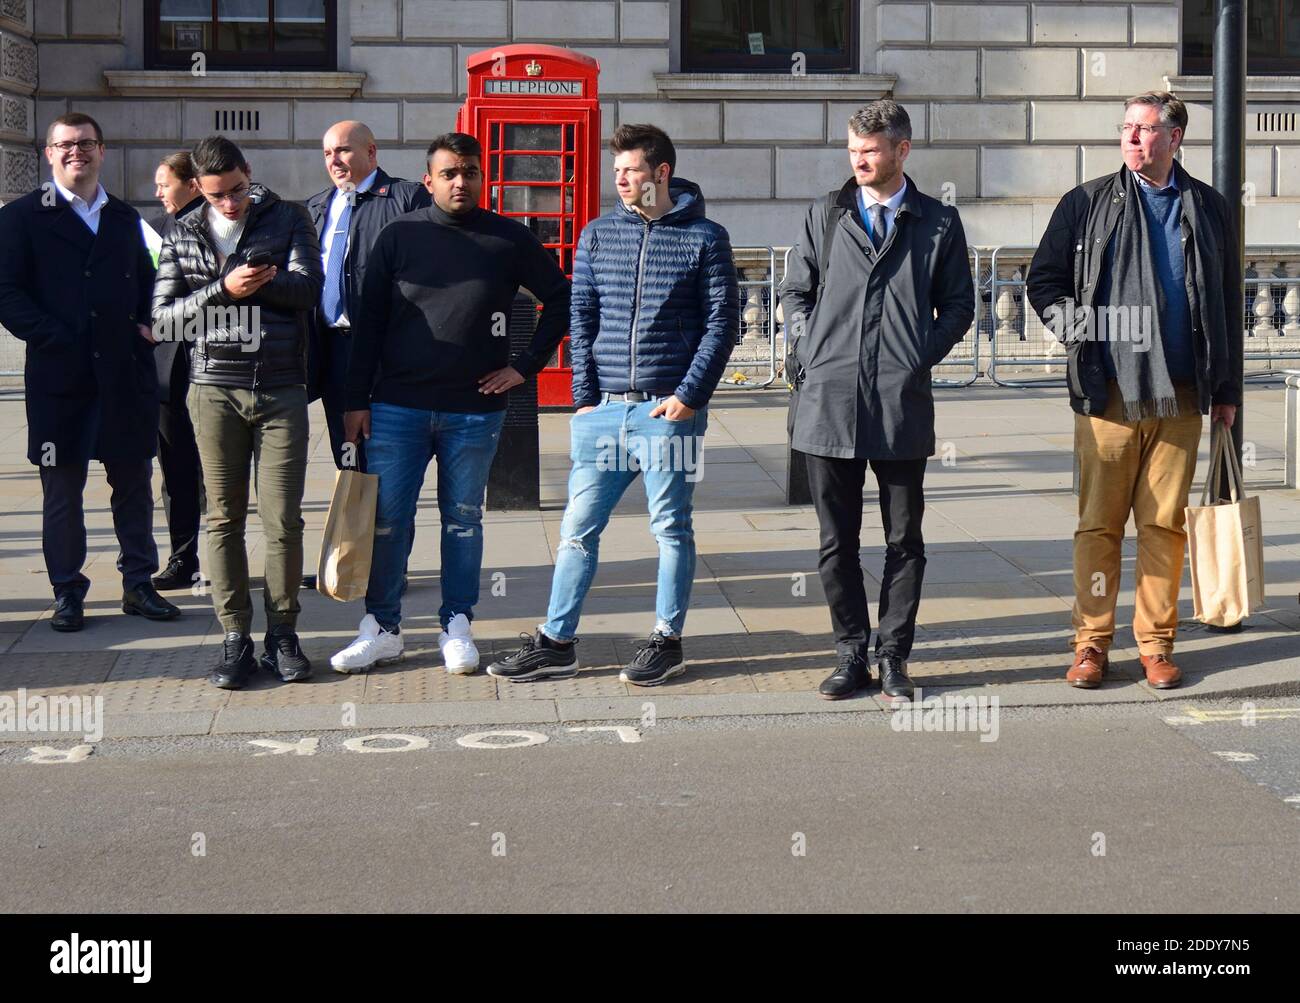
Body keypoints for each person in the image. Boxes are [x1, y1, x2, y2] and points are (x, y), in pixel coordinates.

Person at [487, 123, 739, 687]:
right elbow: (580, 314)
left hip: (665, 413)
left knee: (671, 528)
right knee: (577, 527)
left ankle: (666, 642)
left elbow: (723, 324)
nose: (620, 180)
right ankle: (556, 642)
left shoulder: (705, 237)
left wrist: (688, 396)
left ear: (661, 174)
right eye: (616, 171)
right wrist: (582, 400)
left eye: (630, 171)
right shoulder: (600, 234)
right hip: (604, 411)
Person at [330, 132, 570, 675]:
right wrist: (354, 401)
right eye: (448, 173)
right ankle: (383, 628)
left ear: (482, 177)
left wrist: (524, 366)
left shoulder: (508, 238)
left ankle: (456, 624)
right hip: (396, 407)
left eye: (469, 172)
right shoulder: (399, 236)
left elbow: (561, 298)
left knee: (463, 520)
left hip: (474, 410)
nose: (460, 182)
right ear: (429, 179)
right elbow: (368, 325)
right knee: (390, 521)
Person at [1027, 91, 1243, 691]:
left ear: (1175, 138)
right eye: (1126, 128)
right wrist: (1085, 335)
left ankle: (1155, 644)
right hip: (1110, 392)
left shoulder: (1209, 207)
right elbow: (1042, 281)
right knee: (1100, 525)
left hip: (1182, 393)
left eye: (1145, 129)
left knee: (1164, 525)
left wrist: (1226, 387)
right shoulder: (1087, 202)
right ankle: (1092, 644)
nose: (1131, 138)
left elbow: (1226, 300)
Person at [778, 100, 974, 701]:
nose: (859, 160)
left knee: (903, 540)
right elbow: (795, 293)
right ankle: (849, 651)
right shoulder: (827, 216)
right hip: (828, 403)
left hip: (899, 404)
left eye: (870, 151)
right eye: (852, 151)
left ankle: (893, 655)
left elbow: (960, 307)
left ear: (901, 151)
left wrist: (916, 354)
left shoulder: (937, 222)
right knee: (836, 542)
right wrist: (815, 348)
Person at [152, 135, 324, 689]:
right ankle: (235, 638)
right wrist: (223, 290)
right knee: (222, 517)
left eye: (237, 190)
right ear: (197, 190)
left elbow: (308, 292)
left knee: (283, 519)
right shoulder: (182, 231)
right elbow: (163, 320)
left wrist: (260, 285)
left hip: (280, 385)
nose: (230, 203)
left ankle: (283, 634)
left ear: (249, 174)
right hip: (212, 386)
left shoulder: (288, 217)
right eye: (217, 195)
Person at [0, 112, 181, 631]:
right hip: (61, 381)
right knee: (63, 489)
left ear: (102, 151)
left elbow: (156, 280)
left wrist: (152, 321)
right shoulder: (20, 218)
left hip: (125, 376)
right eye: (65, 144)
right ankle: (67, 590)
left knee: (134, 483)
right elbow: (7, 293)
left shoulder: (126, 218)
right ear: (48, 153)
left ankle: (138, 584)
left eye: (86, 143)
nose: (76, 151)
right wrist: (54, 336)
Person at [306, 120, 430, 472]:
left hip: (389, 352)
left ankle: (388, 526)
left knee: (390, 462)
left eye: (343, 149)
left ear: (371, 151)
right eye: (328, 153)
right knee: (348, 458)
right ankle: (359, 526)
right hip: (333, 350)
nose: (334, 160)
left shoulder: (407, 198)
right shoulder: (316, 207)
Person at [148, 151, 207, 593]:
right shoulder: (158, 227)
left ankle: (219, 559)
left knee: (224, 472)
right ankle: (182, 557)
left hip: (216, 364)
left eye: (164, 183)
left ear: (192, 183)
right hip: (169, 368)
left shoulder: (219, 224)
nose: (158, 192)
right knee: (176, 467)